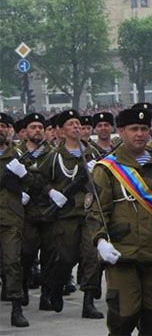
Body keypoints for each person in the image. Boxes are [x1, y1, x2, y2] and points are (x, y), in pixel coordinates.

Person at [88, 107, 152, 334]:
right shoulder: (107, 169)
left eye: (144, 129)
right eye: (134, 129)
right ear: (122, 131)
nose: (140, 134)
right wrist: (100, 241)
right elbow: (97, 211)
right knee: (123, 319)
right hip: (123, 256)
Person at [34, 110, 104, 317]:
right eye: (71, 124)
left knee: (91, 257)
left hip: (90, 213)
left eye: (78, 123)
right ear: (61, 131)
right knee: (65, 257)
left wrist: (98, 171)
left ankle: (88, 302)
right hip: (66, 214)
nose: (76, 127)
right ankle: (55, 286)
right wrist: (51, 192)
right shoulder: (54, 156)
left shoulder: (92, 153)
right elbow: (37, 178)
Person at [15, 113, 54, 309]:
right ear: (26, 131)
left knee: (49, 254)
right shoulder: (16, 153)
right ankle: (21, 288)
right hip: (27, 212)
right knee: (27, 253)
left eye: (40, 127)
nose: (37, 130)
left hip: (49, 209)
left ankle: (46, 295)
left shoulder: (53, 153)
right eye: (33, 127)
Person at [0, 112, 30, 327]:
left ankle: (16, 307)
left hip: (11, 217)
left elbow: (37, 181)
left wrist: (23, 176)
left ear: (10, 130)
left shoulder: (18, 154)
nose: (0, 130)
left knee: (12, 262)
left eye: (4, 126)